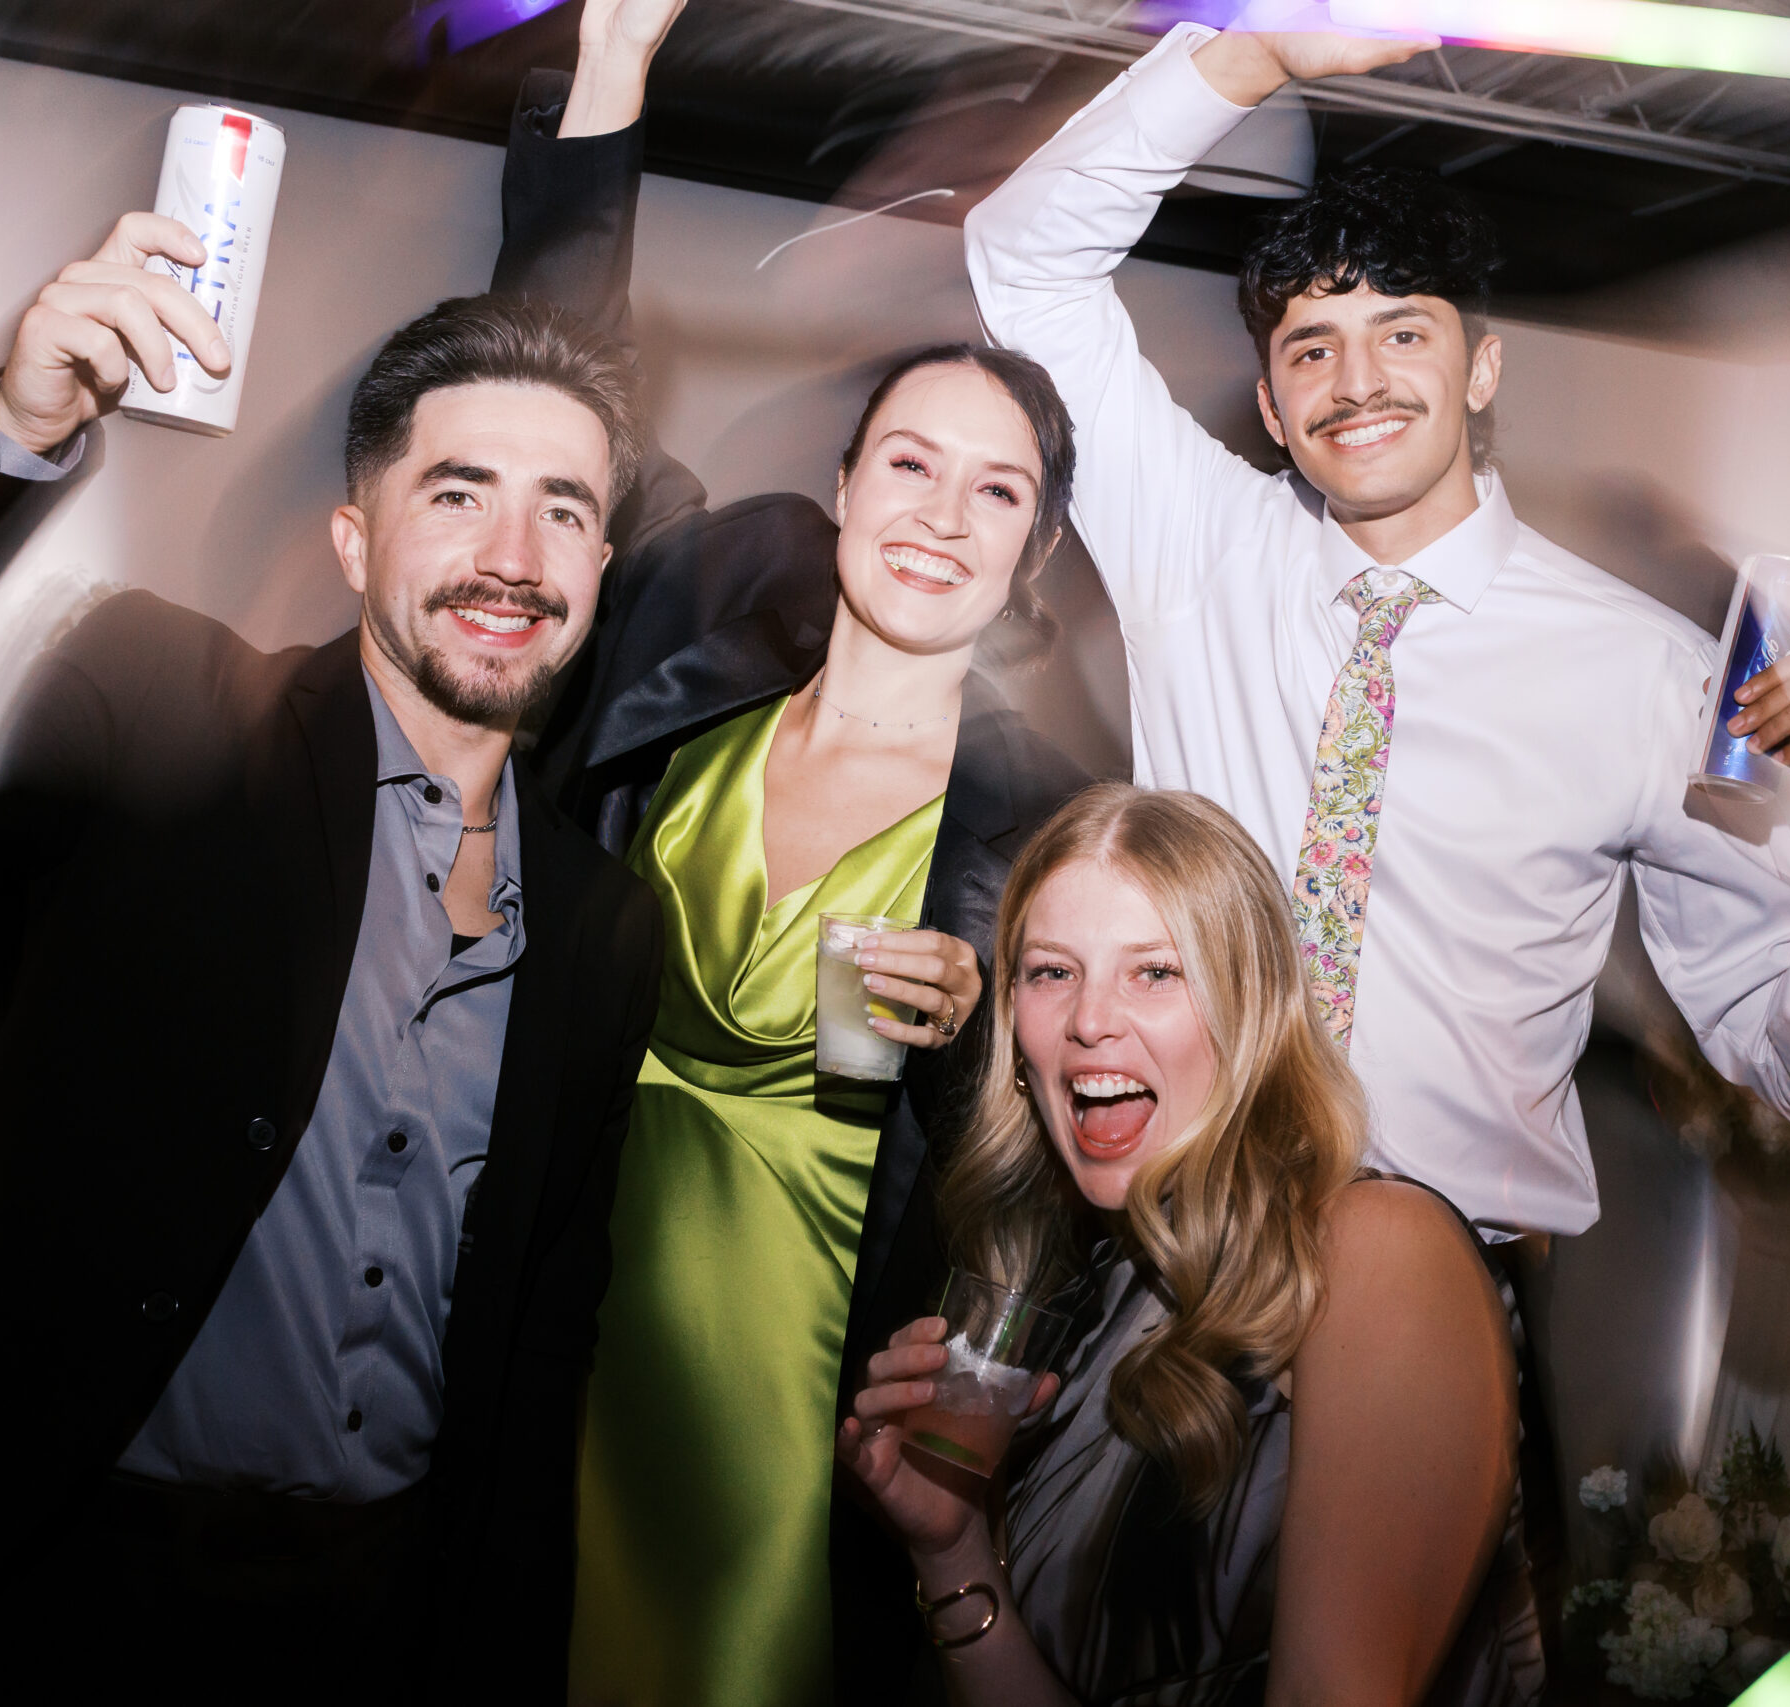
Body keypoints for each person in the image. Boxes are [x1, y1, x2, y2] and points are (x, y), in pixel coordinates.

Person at [0, 217, 661, 1696]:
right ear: (353, 537)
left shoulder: (602, 913)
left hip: (370, 1611)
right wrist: (13, 439)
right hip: (49, 1575)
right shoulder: (170, 709)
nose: (513, 556)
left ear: (602, 564)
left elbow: (538, 1335)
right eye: (459, 493)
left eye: (564, 509)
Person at [963, 23, 1790, 1244]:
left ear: (1482, 370)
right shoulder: (1199, 545)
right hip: (1171, 1264)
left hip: (1443, 1306)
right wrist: (1251, 58)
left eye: (1403, 334)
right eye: (1312, 350)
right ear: (1270, 402)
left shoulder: (1647, 676)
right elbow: (1021, 257)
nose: (1354, 384)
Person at [487, 5, 1094, 1702]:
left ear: (1031, 549)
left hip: (801, 1395)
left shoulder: (1043, 824)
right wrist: (613, 80)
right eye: (910, 461)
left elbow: (1061, 1187)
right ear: (841, 484)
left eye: (995, 493)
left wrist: (983, 1018)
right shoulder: (689, 626)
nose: (938, 513)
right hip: (555, 1308)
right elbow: (550, 399)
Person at [839, 782, 1530, 1706]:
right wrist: (953, 1544)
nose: (1090, 1020)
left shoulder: (1374, 1254)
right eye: (1051, 972)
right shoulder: (1086, 1294)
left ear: (1251, 1007)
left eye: (1154, 971)